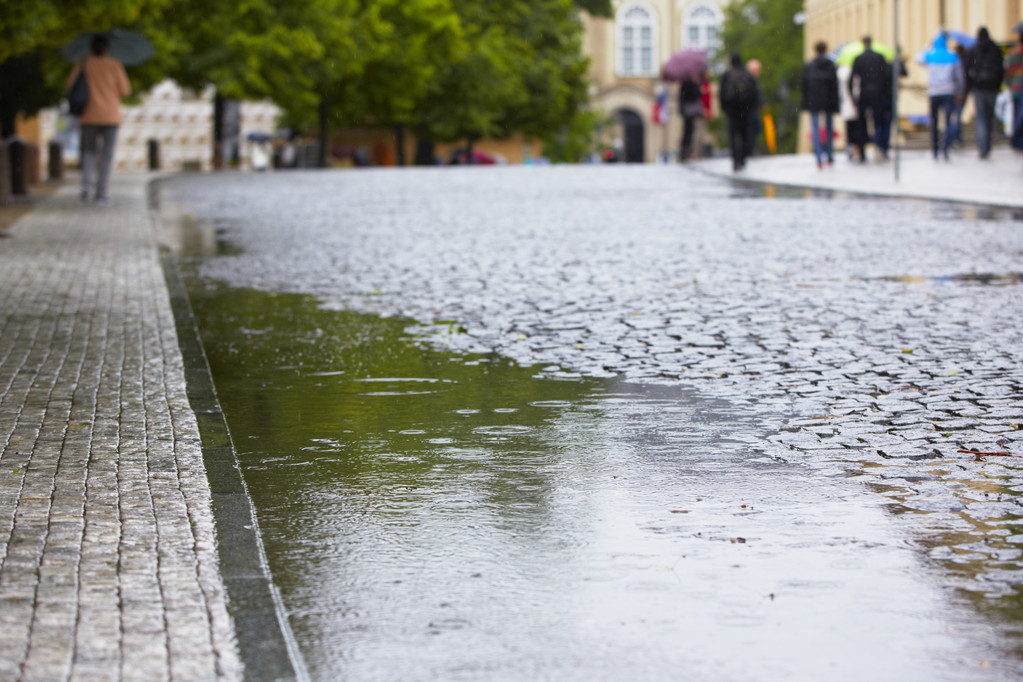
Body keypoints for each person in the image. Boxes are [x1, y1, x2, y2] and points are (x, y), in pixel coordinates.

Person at [65, 35, 131, 206]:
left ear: (91, 48)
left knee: (89, 152)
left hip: (89, 114)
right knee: (107, 156)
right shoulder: (114, 64)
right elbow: (126, 90)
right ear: (106, 49)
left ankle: (87, 186)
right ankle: (101, 194)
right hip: (110, 115)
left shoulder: (83, 63)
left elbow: (70, 84)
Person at [916, 32, 964, 160]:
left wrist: (927, 46)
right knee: (948, 121)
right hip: (948, 92)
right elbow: (959, 78)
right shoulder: (953, 56)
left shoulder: (930, 55)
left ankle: (935, 149)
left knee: (934, 121)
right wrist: (959, 92)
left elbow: (918, 58)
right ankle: (946, 148)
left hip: (934, 93)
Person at [849, 37, 892, 161]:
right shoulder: (879, 57)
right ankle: (878, 148)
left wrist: (853, 96)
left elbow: (853, 79)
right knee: (878, 123)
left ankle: (862, 153)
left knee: (861, 124)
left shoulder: (858, 59)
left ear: (863, 44)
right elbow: (887, 76)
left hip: (864, 94)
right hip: (878, 95)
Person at [966, 27, 1006, 158]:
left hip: (979, 88)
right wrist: (998, 86)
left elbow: (967, 69)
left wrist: (970, 85)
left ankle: (982, 146)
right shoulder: (995, 49)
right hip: (992, 88)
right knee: (989, 117)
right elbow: (1001, 69)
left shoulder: (974, 49)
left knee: (981, 118)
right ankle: (987, 145)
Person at [802, 41, 840, 169]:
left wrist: (806, 103)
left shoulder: (809, 66)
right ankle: (829, 155)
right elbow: (835, 86)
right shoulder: (831, 65)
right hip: (828, 101)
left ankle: (818, 157)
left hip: (814, 101)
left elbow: (805, 86)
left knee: (815, 129)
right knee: (829, 128)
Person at [719, 52, 759, 172]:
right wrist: (752, 108)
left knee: (733, 136)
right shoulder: (747, 74)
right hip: (745, 110)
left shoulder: (727, 75)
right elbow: (754, 93)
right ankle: (742, 158)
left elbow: (721, 94)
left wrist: (724, 107)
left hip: (732, 110)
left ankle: (736, 160)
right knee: (745, 135)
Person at [678, 72, 704, 161]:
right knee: (689, 131)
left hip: (687, 111)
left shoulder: (685, 84)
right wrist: (699, 90)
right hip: (689, 111)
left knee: (688, 131)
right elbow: (694, 95)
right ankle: (686, 151)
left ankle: (686, 151)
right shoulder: (689, 84)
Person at [1006, 28, 1023, 151]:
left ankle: (1016, 139)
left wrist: (1009, 84)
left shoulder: (1013, 52)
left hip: (1015, 87)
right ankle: (1017, 138)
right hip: (1019, 86)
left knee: (1017, 113)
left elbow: (1007, 70)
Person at [745, 59, 765, 157]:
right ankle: (749, 150)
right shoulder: (750, 80)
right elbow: (756, 95)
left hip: (750, 109)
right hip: (750, 110)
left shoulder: (749, 79)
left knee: (753, 129)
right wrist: (761, 103)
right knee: (753, 130)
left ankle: (749, 149)